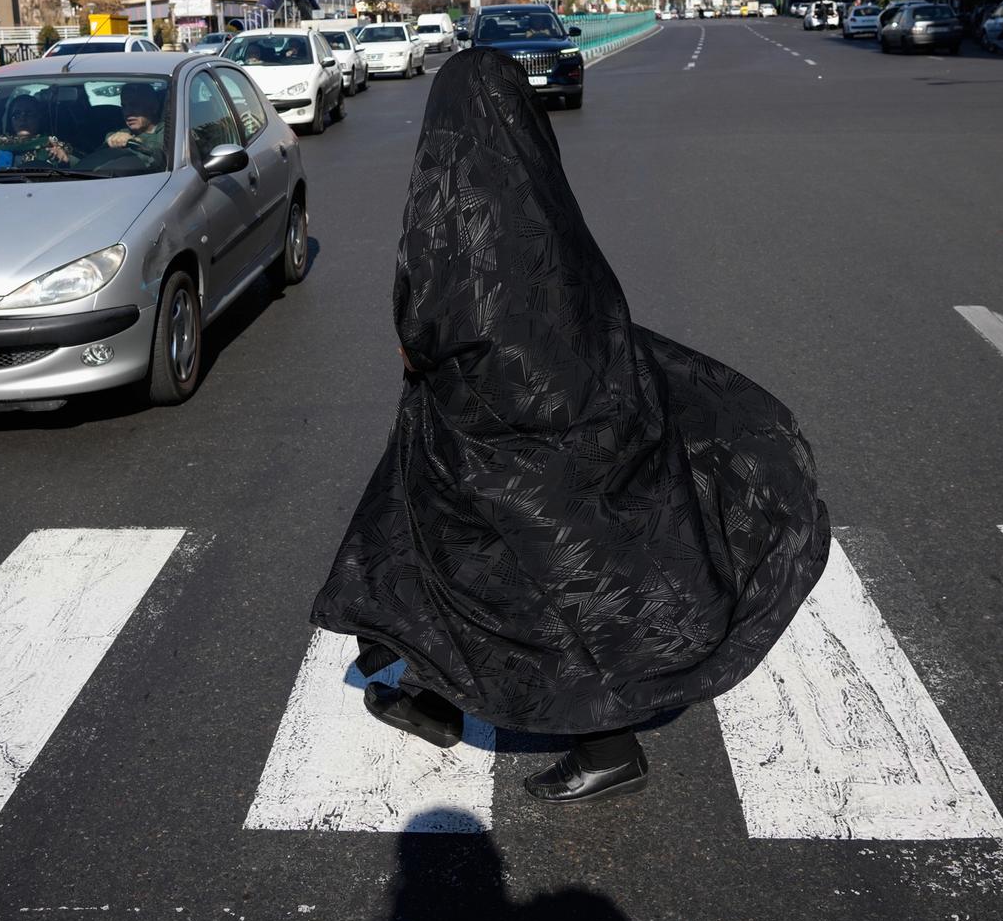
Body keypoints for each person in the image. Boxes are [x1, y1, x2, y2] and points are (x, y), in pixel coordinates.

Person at [311, 47, 830, 806]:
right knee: (449, 554)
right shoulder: (537, 186)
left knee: (531, 578)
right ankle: (433, 693)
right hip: (562, 401)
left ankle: (606, 747)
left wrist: (421, 351)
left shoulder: (460, 196)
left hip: (493, 422)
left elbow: (459, 310)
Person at [0, 95, 75, 170]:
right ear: (10, 121)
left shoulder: (53, 146)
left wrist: (63, 161)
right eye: (17, 114)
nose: (23, 119)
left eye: (29, 113)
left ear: (39, 118)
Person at [104, 82, 166, 167]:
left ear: (154, 107)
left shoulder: (169, 131)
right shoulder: (125, 131)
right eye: (124, 106)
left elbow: (160, 151)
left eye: (134, 105)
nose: (127, 112)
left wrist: (137, 142)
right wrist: (111, 138)